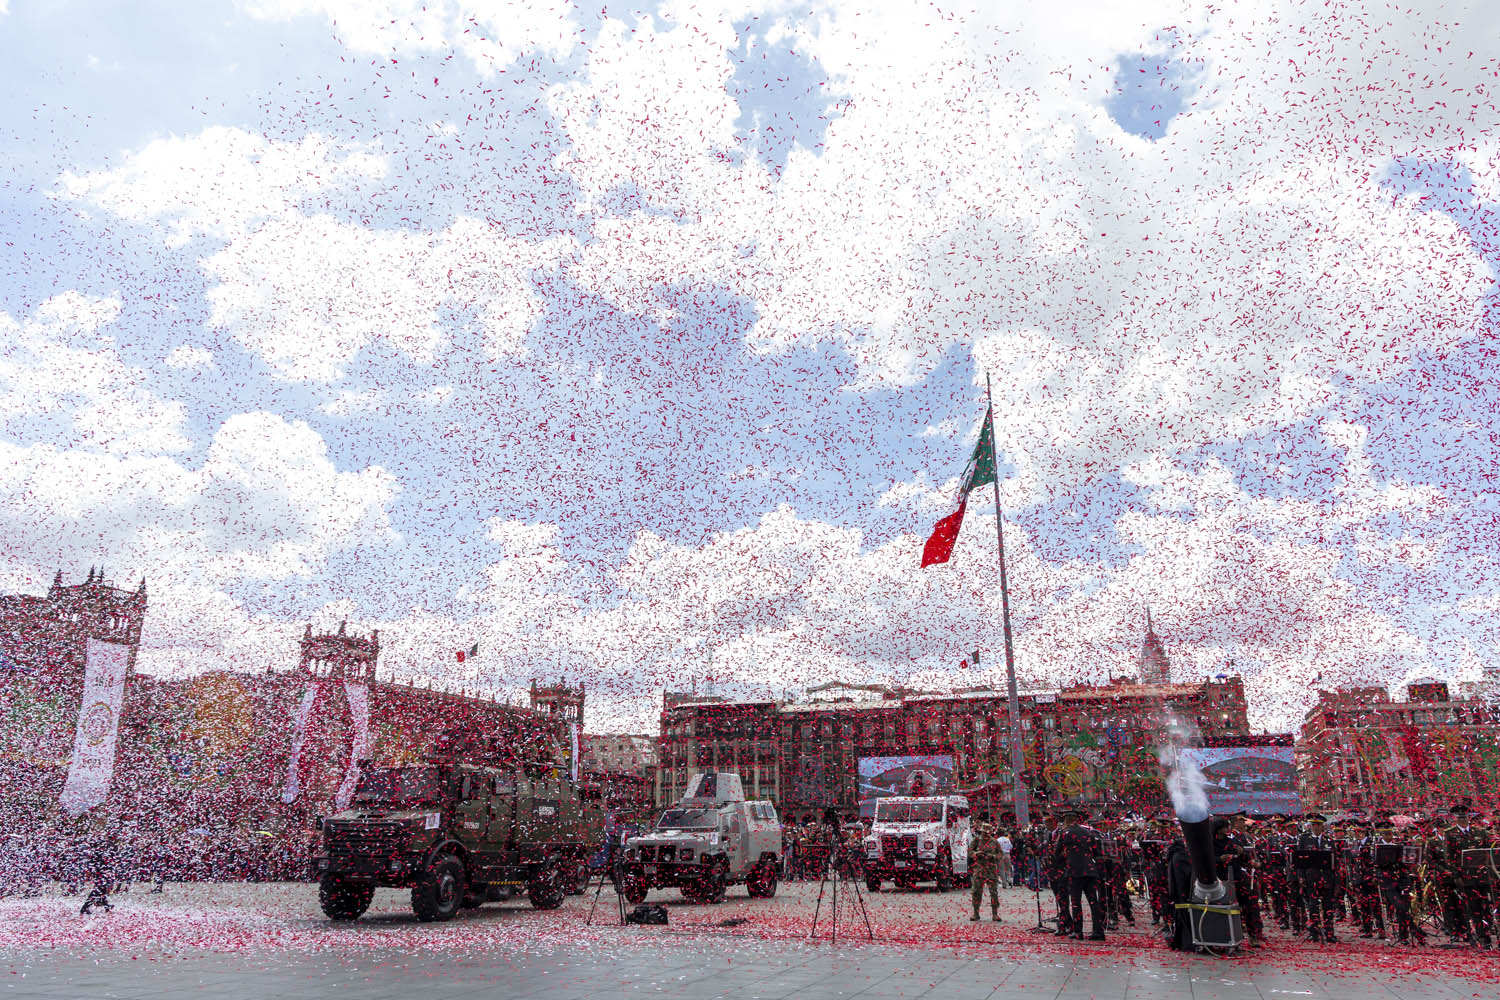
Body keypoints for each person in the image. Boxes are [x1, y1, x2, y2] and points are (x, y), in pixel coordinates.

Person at [1443, 802, 1493, 947]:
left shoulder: (1480, 831)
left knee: (1488, 906)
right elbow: (1449, 857)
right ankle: (1483, 938)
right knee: (1474, 908)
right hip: (1466, 878)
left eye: (1464, 817)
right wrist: (1457, 876)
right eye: (1459, 817)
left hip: (1483, 876)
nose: (1462, 819)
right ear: (1455, 818)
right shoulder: (1450, 833)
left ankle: (1489, 930)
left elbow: (1488, 851)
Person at [1054, 808, 1105, 941]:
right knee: (1093, 902)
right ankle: (1098, 931)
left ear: (1066, 820)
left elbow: (1057, 853)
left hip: (1074, 871)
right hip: (1090, 870)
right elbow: (1096, 852)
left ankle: (1078, 931)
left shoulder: (1065, 833)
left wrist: (1063, 858)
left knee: (1076, 902)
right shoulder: (1088, 832)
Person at [1295, 812, 1339, 943]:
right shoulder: (1304, 839)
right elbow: (1299, 861)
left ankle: (1329, 932)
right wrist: (1301, 877)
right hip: (1311, 878)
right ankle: (1314, 932)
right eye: (1313, 825)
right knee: (1313, 906)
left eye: (1318, 825)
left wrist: (1336, 881)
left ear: (1323, 826)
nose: (1315, 827)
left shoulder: (1329, 841)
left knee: (1328, 907)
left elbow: (1334, 862)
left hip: (1326, 879)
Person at [969, 813, 1002, 922]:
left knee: (994, 893)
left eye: (988, 833)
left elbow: (1000, 854)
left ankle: (995, 914)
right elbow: (969, 852)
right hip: (979, 870)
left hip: (991, 870)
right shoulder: (977, 840)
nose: (986, 834)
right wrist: (976, 853)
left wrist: (992, 856)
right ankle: (976, 913)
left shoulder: (995, 842)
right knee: (976, 892)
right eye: (984, 832)